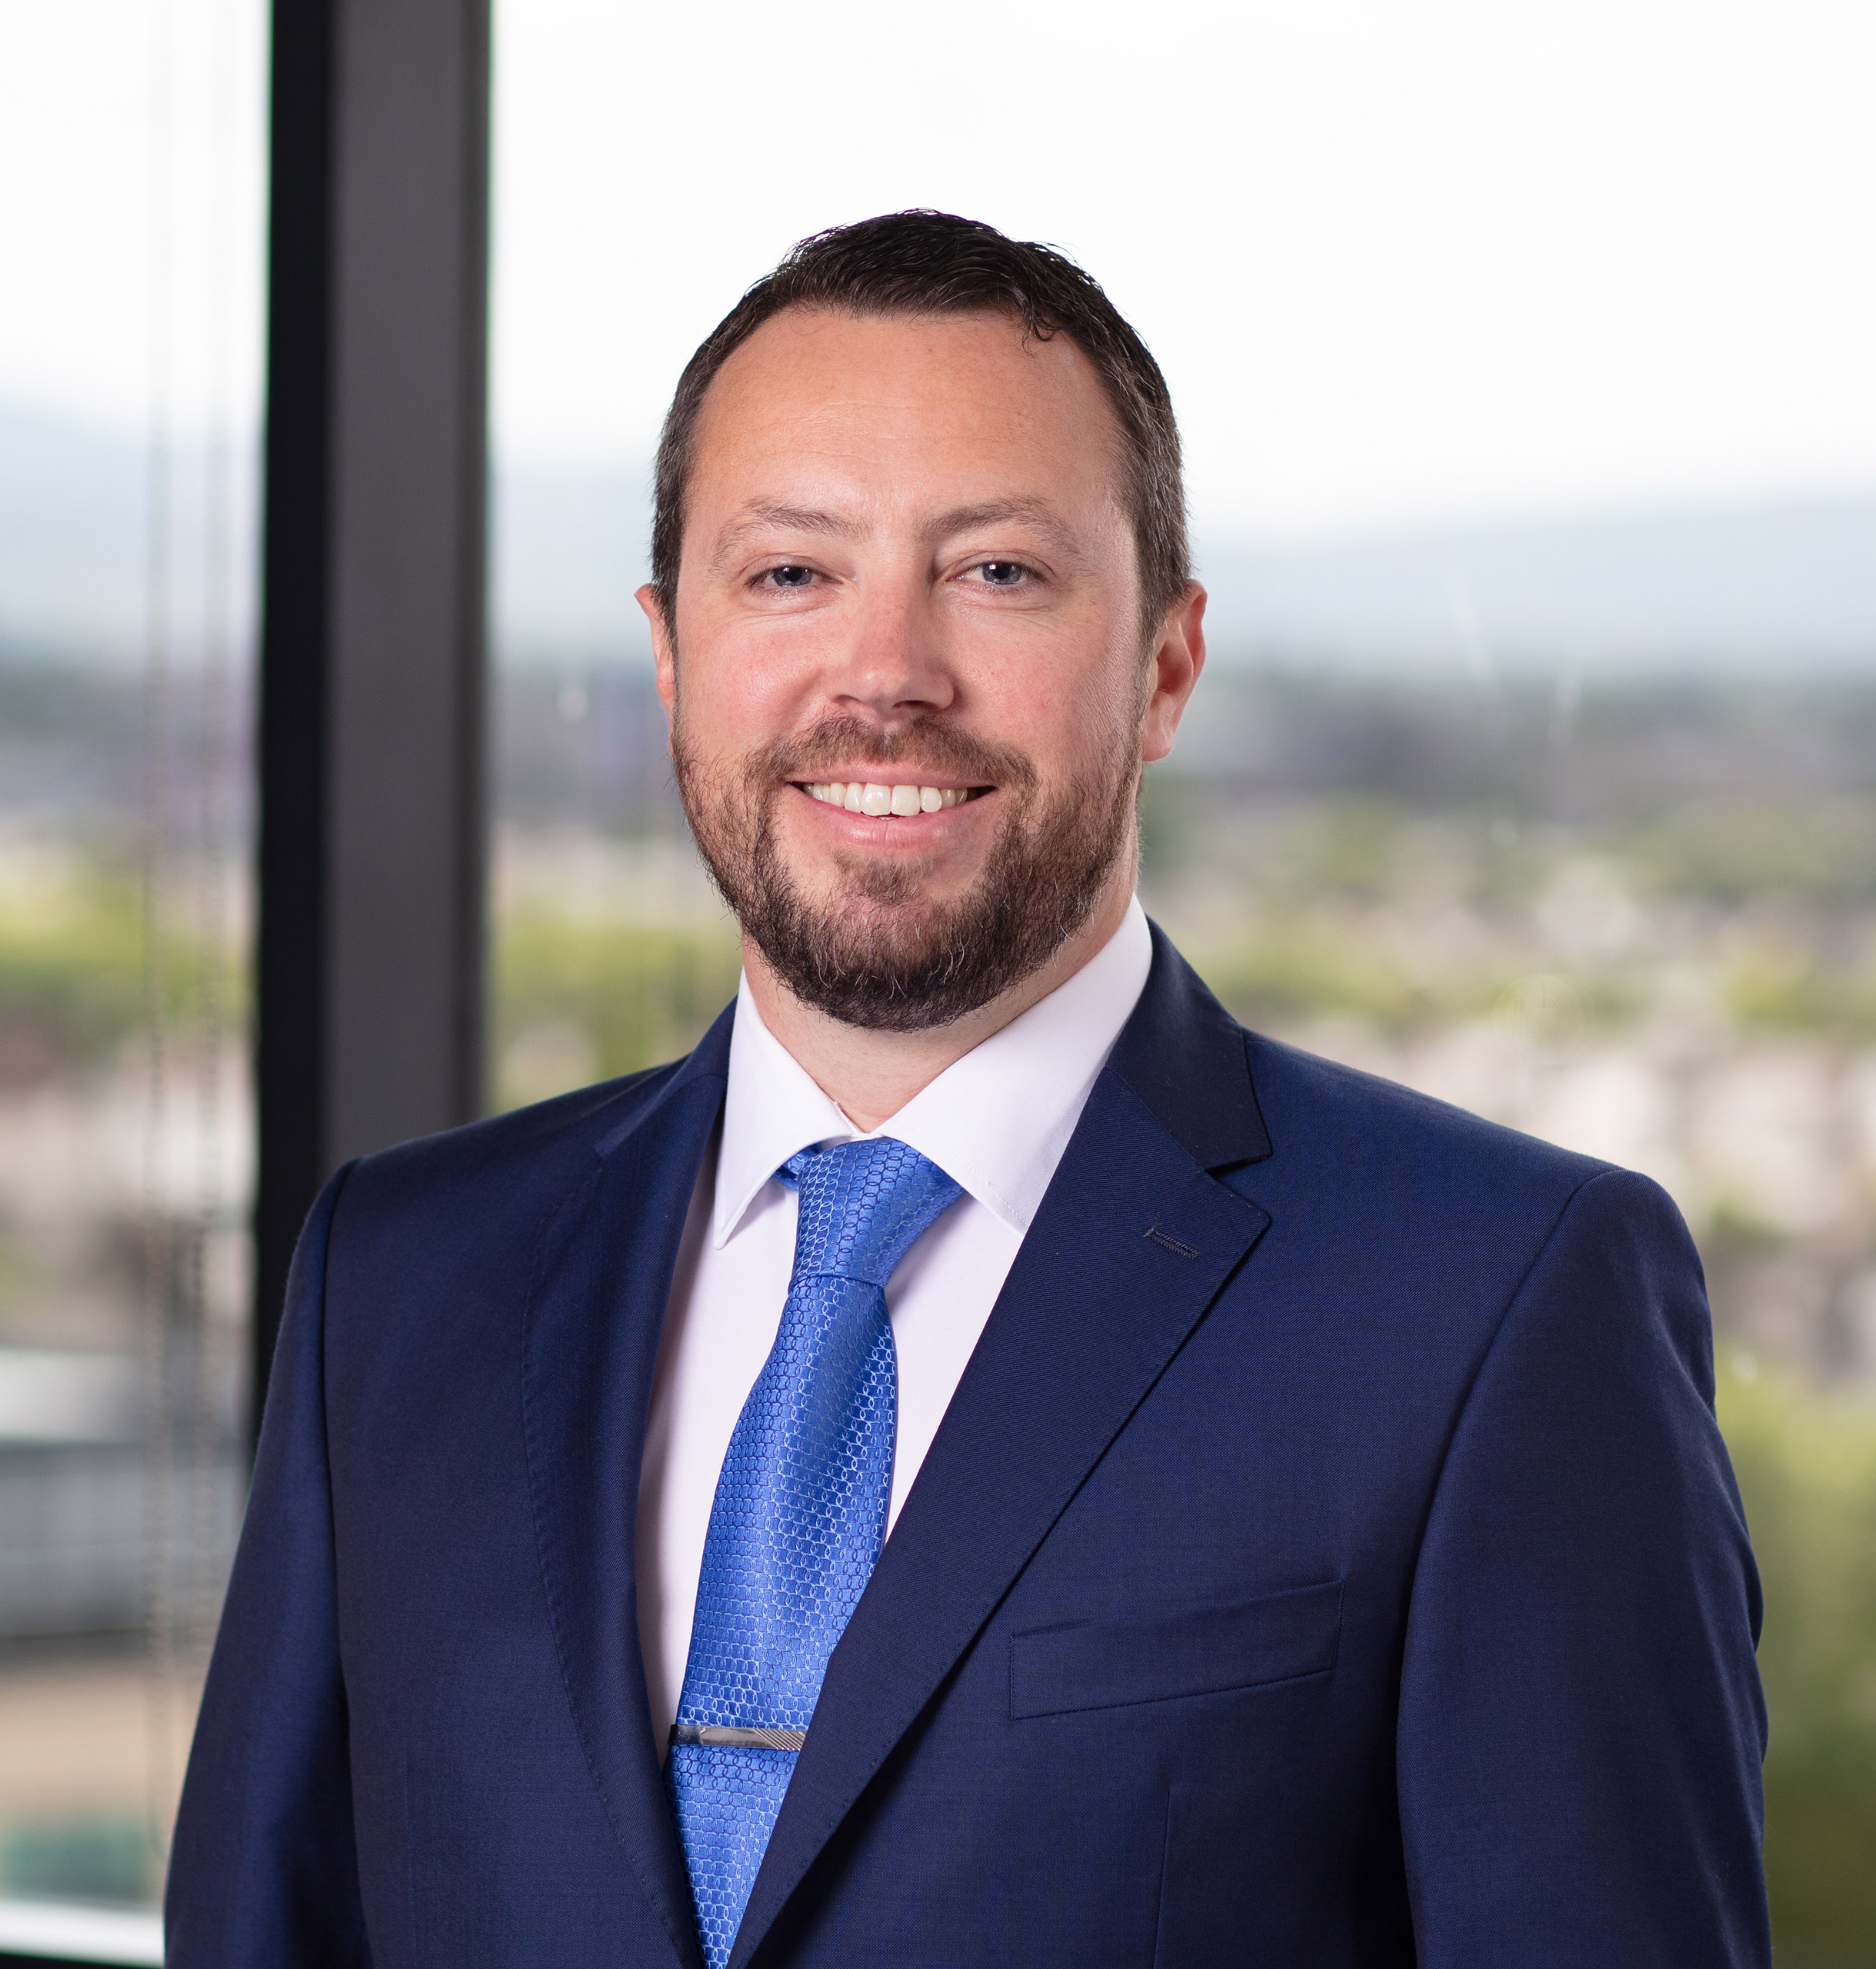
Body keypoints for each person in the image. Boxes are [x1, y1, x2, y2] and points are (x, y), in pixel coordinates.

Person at [168, 210, 1768, 1969]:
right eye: (791, 572)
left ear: (1165, 665)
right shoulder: (404, 1272)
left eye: (997, 571)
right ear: (670, 650)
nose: (885, 674)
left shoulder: (1493, 1299)